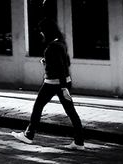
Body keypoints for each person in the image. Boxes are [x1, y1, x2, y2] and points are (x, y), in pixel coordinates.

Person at [13, 21, 85, 149]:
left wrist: (63, 88)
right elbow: (65, 63)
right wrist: (47, 62)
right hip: (63, 81)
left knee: (38, 107)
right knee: (71, 111)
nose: (41, 33)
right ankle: (79, 141)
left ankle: (29, 135)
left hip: (53, 83)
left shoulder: (53, 47)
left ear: (47, 32)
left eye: (42, 31)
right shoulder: (61, 43)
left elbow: (61, 67)